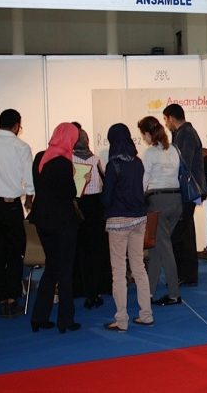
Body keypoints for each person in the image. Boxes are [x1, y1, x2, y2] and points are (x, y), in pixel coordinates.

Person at [0, 108, 34, 317]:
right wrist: (29, 199)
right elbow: (29, 178)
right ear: (17, 126)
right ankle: (12, 299)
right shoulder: (21, 147)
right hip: (10, 206)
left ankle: (1, 299)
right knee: (14, 254)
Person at [29, 123, 82, 334]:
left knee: (51, 267)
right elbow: (70, 192)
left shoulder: (40, 158)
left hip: (42, 220)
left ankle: (39, 317)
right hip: (63, 222)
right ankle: (65, 320)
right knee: (65, 270)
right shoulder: (64, 162)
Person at [102, 123, 154, 331]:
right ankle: (146, 315)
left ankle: (121, 319)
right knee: (139, 268)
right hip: (139, 219)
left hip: (118, 221)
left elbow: (106, 199)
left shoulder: (113, 165)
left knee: (119, 271)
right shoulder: (138, 162)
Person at [139, 116, 184, 306]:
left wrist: (138, 200)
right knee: (156, 247)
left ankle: (174, 294)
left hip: (158, 202)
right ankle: (149, 291)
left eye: (143, 134)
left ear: (148, 133)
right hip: (176, 200)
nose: (143, 138)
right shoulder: (173, 149)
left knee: (164, 248)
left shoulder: (150, 153)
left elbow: (144, 179)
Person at [163, 103, 206, 287]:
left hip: (187, 190)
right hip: (187, 190)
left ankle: (184, 274)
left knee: (180, 235)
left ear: (172, 118)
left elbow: (182, 163)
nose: (165, 124)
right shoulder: (182, 133)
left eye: (166, 120)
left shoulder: (186, 134)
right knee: (185, 233)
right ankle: (187, 275)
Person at [71, 122, 110, 310]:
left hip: (77, 207)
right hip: (96, 208)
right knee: (97, 249)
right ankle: (98, 287)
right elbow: (104, 182)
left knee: (79, 249)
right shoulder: (96, 159)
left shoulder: (69, 159)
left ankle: (81, 287)